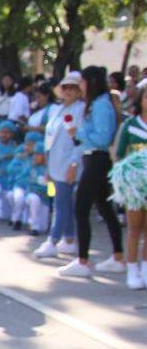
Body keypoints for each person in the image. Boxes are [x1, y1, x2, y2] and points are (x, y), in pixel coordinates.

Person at [58, 65, 124, 279]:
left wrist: (80, 133)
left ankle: (83, 260)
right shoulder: (97, 103)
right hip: (92, 157)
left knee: (81, 207)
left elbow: (103, 138)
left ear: (91, 82)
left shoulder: (101, 105)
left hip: (97, 157)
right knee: (104, 207)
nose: (81, 86)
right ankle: (117, 256)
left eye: (83, 82)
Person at [36, 72, 85, 259]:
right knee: (64, 203)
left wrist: (74, 163)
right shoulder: (57, 110)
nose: (68, 91)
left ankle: (53, 240)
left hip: (69, 163)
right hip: (54, 163)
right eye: (65, 87)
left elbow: (79, 141)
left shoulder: (81, 110)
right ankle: (69, 239)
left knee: (60, 203)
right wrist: (48, 164)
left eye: (73, 88)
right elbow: (50, 139)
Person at [113, 89, 147, 289]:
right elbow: (118, 154)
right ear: (140, 99)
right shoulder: (131, 125)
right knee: (134, 229)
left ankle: (145, 269)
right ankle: (132, 271)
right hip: (135, 187)